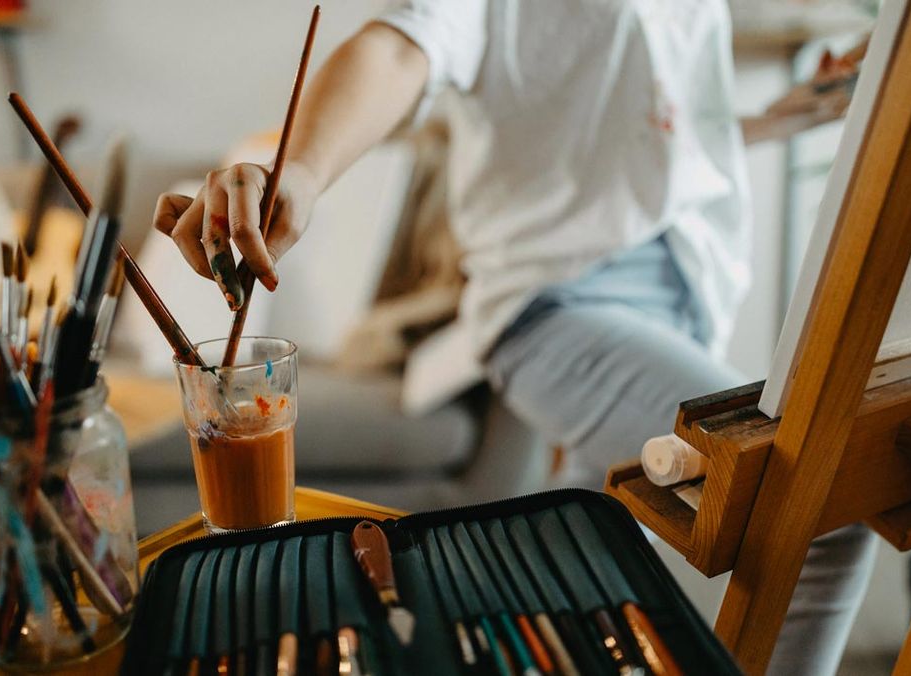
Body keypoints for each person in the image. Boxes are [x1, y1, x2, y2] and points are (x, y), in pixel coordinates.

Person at [153, 1, 873, 672]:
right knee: (814, 499)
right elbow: (399, 49)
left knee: (586, 581)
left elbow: (649, 137)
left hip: (691, 291)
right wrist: (304, 169)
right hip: (556, 307)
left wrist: (780, 120)